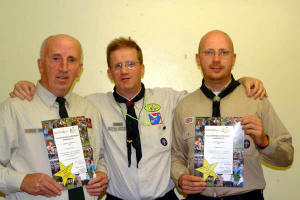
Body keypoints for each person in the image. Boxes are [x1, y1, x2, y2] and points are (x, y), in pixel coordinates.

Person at [9, 37, 267, 200]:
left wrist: (241, 82)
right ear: (109, 73)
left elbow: (208, 95)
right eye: (118, 66)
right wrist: (31, 87)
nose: (124, 71)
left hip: (164, 198)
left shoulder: (171, 99)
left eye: (131, 64)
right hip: (117, 198)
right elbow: (57, 97)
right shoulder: (90, 106)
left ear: (142, 68)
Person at [171, 30, 294, 199]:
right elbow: (176, 155)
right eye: (209, 52)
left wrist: (265, 142)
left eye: (223, 52)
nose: (216, 59)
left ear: (233, 58)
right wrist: (180, 177)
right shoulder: (185, 106)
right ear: (198, 59)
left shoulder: (256, 100)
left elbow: (287, 156)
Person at [0, 34, 108, 200]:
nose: (64, 67)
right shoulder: (15, 108)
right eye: (56, 58)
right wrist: (22, 181)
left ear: (79, 69)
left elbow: (99, 156)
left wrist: (101, 173)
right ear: (41, 65)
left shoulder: (89, 110)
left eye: (71, 60)